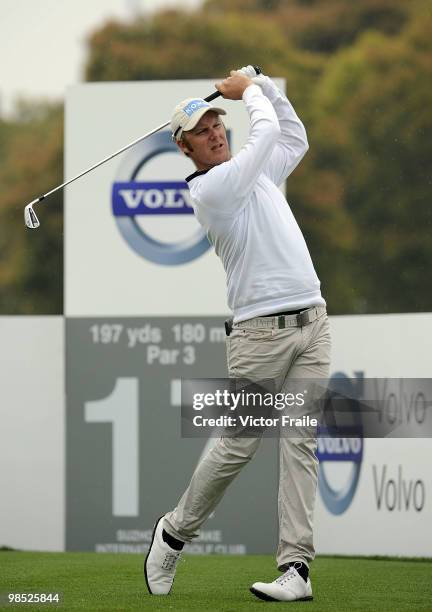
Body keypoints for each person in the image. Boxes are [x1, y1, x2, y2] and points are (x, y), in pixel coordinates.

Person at [144, 66, 331, 602]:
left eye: (217, 123)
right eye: (203, 131)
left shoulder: (255, 174)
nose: (216, 132)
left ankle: (296, 568)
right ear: (187, 149)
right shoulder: (213, 189)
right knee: (236, 447)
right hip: (260, 337)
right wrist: (248, 91)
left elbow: (292, 136)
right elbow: (267, 133)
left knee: (301, 445)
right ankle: (174, 533)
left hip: (313, 324)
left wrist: (267, 86)